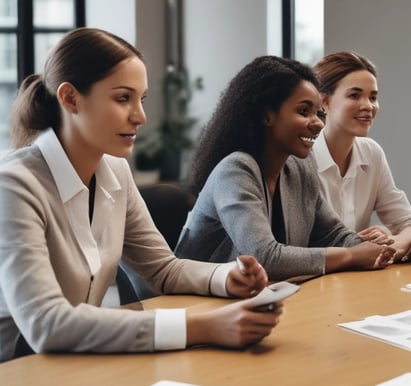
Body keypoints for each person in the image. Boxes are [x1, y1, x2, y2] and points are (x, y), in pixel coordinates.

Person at [0, 28, 280, 363]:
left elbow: (162, 270)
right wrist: (202, 327)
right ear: (70, 98)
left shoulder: (114, 170)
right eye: (123, 98)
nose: (140, 117)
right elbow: (46, 324)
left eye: (141, 99)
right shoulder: (14, 185)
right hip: (17, 365)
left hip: (74, 359)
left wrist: (226, 277)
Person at [174, 56, 396, 281]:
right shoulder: (235, 170)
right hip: (199, 304)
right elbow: (264, 257)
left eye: (318, 112)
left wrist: (374, 248)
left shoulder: (300, 166)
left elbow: (332, 234)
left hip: (263, 299)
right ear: (267, 116)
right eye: (304, 112)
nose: (318, 122)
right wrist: (351, 255)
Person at [311, 51, 411, 261]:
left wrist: (393, 243)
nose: (368, 106)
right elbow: (303, 245)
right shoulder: (302, 159)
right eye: (354, 95)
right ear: (324, 102)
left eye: (373, 97)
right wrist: (367, 245)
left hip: (358, 280)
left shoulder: (371, 153)